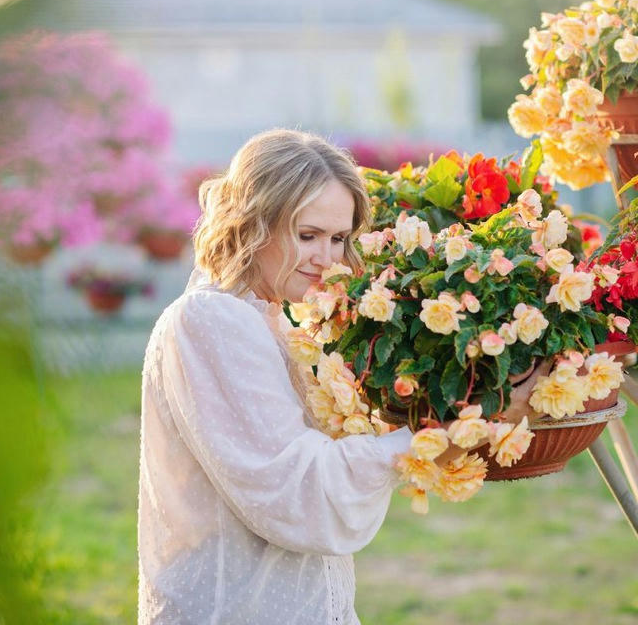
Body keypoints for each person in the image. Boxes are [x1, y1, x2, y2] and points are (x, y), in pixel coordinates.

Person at [137, 128, 542, 625]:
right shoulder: (211, 321)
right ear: (251, 224)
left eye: (338, 238)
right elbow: (297, 489)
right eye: (307, 235)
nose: (327, 258)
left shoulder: (271, 319)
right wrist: (448, 431)